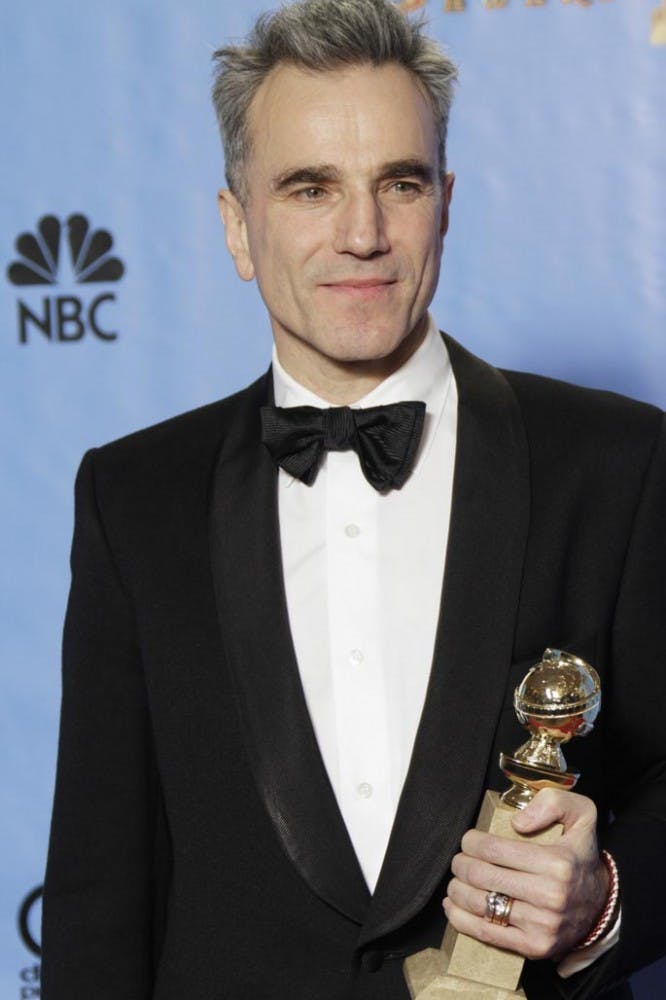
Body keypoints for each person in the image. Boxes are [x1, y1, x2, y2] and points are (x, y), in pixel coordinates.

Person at [42, 0, 666, 997]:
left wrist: (609, 900)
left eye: (399, 184)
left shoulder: (615, 463)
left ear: (445, 205)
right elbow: (99, 888)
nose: (363, 233)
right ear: (238, 226)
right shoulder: (135, 498)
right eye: (311, 188)